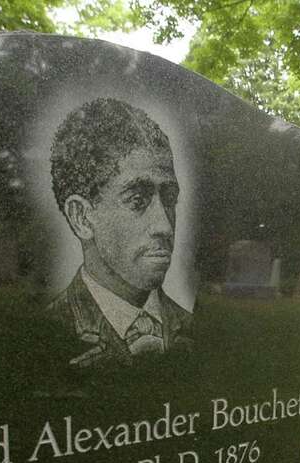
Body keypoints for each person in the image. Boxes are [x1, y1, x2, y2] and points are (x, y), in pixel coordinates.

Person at [48, 98, 193, 368]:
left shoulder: (191, 328)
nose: (164, 226)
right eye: (137, 201)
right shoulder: (46, 337)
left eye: (169, 200)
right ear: (82, 217)